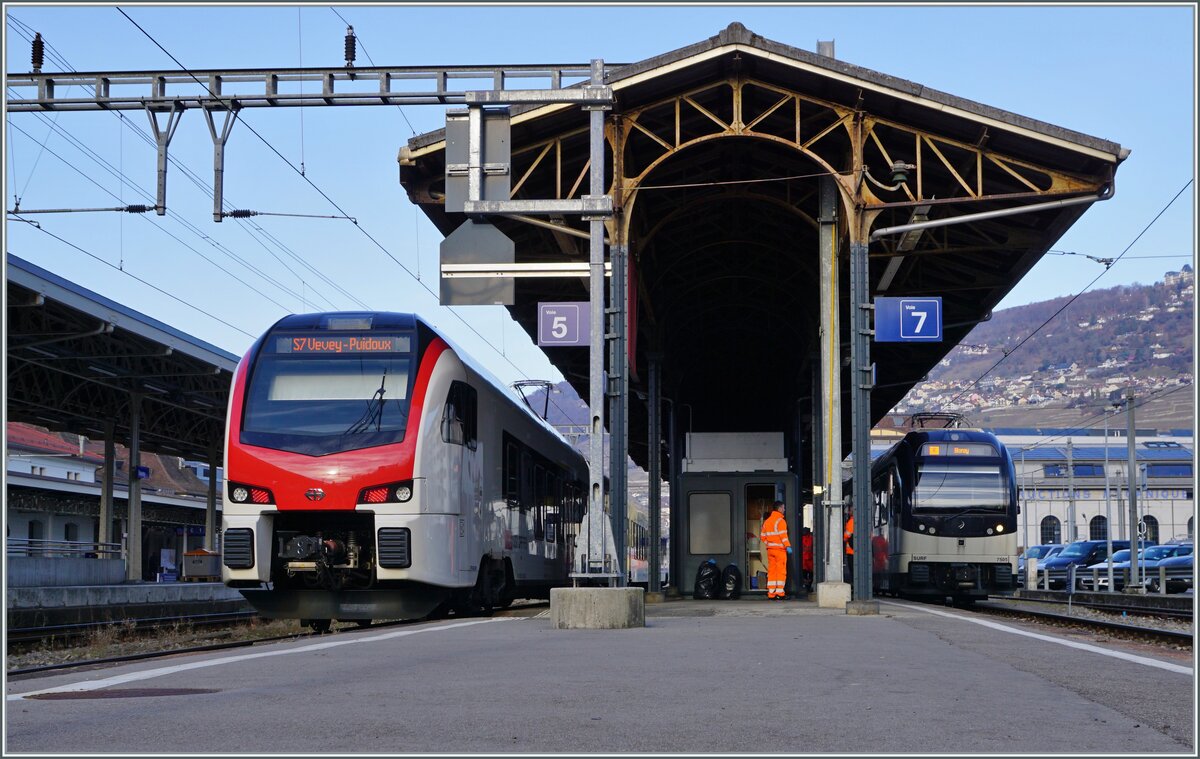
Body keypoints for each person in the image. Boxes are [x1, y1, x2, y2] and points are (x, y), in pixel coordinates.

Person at [760, 500, 792, 600]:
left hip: (770, 550)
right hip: (779, 550)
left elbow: (762, 536)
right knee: (781, 571)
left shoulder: (767, 521)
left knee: (772, 571)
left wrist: (769, 544)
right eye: (783, 507)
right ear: (779, 509)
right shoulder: (781, 521)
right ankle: (780, 593)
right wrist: (787, 546)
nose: (784, 509)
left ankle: (771, 593)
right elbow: (783, 536)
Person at [800, 526, 814, 593]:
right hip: (809, 559)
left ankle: (807, 587)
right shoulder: (811, 538)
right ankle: (808, 586)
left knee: (805, 574)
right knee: (810, 574)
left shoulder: (801, 538)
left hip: (805, 559)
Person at [843, 508, 855, 587]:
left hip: (851, 551)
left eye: (850, 510)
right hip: (853, 550)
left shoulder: (851, 521)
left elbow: (847, 535)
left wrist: (844, 537)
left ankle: (854, 584)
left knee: (852, 569)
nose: (849, 512)